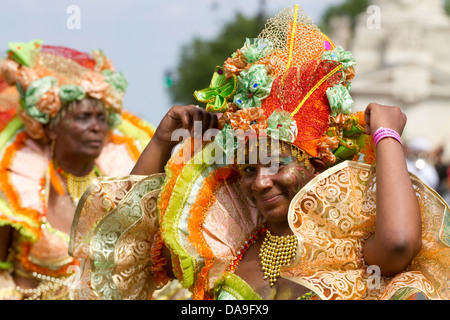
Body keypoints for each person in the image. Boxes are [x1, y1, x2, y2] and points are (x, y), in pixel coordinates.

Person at [68, 6, 449, 300]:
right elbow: (120, 247)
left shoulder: (348, 250)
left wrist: (386, 135)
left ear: (316, 164)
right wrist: (161, 141)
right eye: (248, 170)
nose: (260, 182)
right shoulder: (226, 247)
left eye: (276, 164)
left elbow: (399, 242)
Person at [0, 40, 157, 300]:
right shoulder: (18, 185)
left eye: (101, 118)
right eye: (83, 118)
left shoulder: (120, 184)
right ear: (51, 126)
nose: (97, 127)